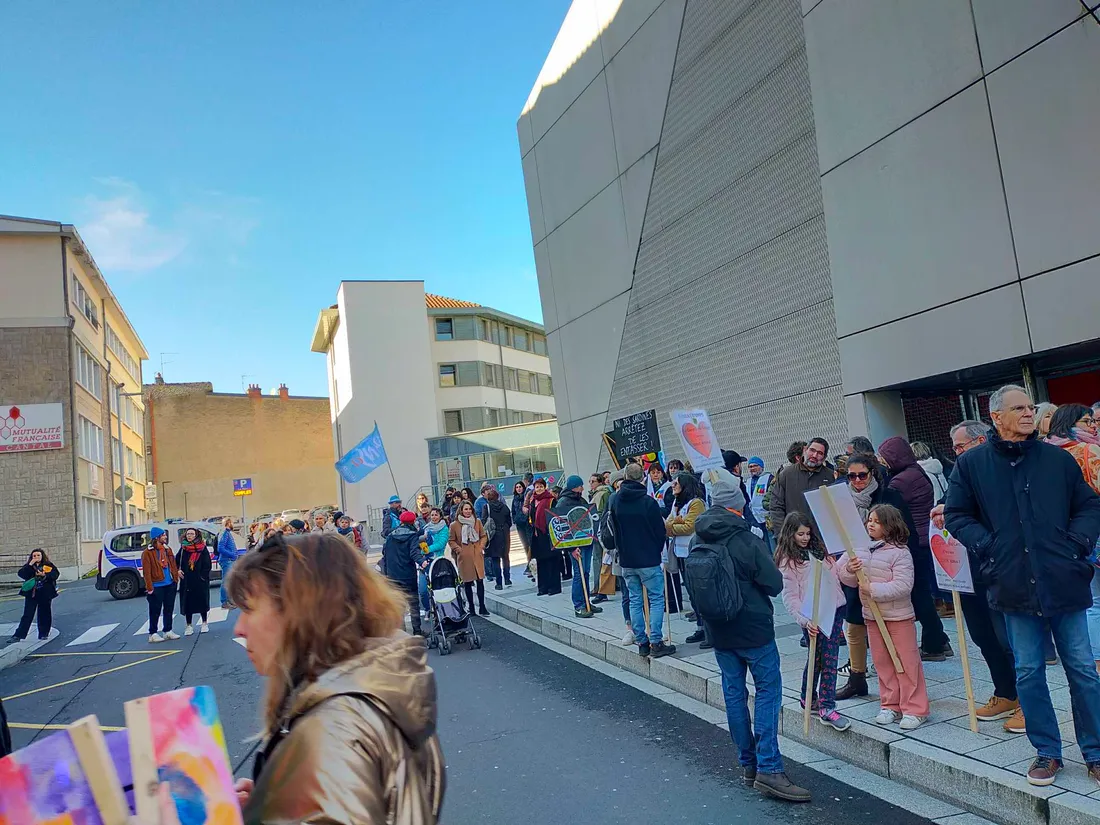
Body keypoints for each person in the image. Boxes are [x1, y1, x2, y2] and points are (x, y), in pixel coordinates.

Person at [226, 531, 445, 822]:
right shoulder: (376, 690)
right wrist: (278, 801)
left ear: (299, 613)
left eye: (249, 609)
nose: (238, 629)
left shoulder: (332, 729)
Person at [946, 384, 1100, 787]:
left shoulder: (1057, 460)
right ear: (997, 417)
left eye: (1031, 406)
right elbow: (957, 515)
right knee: (1029, 672)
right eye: (1019, 408)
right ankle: (1047, 752)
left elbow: (1088, 505)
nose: (1029, 413)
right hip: (1012, 585)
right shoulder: (973, 465)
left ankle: (1096, 752)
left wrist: (1078, 544)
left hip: (1063, 581)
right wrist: (989, 547)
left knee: (1083, 670)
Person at [690, 468, 810, 802]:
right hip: (754, 629)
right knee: (768, 693)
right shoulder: (746, 539)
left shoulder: (700, 537)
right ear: (737, 504)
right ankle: (770, 768)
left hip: (719, 630)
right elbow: (773, 583)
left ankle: (748, 764)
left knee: (733, 695)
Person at [931, 420, 1023, 733]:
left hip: (998, 565)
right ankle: (1005, 693)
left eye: (959, 446)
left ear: (980, 440)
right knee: (982, 636)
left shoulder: (1002, 466)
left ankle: (1027, 701)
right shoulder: (961, 472)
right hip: (966, 567)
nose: (955, 453)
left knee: (1007, 637)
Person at [836, 453, 935, 699]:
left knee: (897, 638)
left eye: (862, 475)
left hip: (887, 571)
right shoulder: (843, 500)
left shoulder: (889, 496)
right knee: (855, 623)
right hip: (859, 566)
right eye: (852, 476)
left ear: (872, 473)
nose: (857, 480)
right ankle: (857, 676)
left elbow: (905, 532)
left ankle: (909, 692)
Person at [838, 504, 930, 730]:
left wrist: (874, 590)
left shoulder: (900, 553)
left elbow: (903, 585)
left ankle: (915, 708)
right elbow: (845, 577)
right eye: (869, 520)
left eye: (877, 521)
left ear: (890, 526)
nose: (871, 524)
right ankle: (890, 703)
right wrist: (850, 569)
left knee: (906, 662)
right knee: (882, 662)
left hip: (898, 617)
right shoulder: (860, 548)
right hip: (872, 616)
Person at [877, 437, 951, 662]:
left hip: (912, 541)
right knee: (922, 593)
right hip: (922, 538)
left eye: (886, 458)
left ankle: (934, 643)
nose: (884, 463)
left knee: (919, 596)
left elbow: (887, 505)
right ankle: (939, 639)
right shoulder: (916, 471)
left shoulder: (901, 481)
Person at [776, 514, 850, 731]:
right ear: (791, 534)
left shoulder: (821, 552)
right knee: (816, 657)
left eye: (808, 533)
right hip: (811, 614)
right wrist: (804, 619)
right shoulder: (788, 560)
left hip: (834, 609)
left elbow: (837, 575)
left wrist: (850, 569)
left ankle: (826, 705)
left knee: (830, 657)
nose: (805, 538)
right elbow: (790, 596)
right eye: (800, 534)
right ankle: (809, 696)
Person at [1044, 404, 1100, 670]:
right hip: (1094, 531)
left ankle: (1093, 656)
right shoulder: (1088, 450)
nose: (1093, 426)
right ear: (1070, 423)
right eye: (1087, 421)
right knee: (1096, 600)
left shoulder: (1045, 453)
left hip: (1061, 536)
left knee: (1089, 599)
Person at [608, 463, 674, 657]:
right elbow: (659, 531)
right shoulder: (648, 502)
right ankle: (656, 641)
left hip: (626, 559)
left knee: (635, 600)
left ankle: (641, 642)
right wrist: (655, 550)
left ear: (625, 477)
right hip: (648, 558)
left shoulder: (616, 501)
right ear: (642, 478)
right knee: (655, 599)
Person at [553, 475, 602, 618]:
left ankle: (586, 601)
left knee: (585, 572)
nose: (583, 487)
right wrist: (571, 548)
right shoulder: (563, 502)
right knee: (578, 574)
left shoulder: (580, 499)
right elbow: (562, 525)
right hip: (575, 544)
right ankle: (578, 605)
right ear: (574, 486)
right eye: (580, 485)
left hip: (585, 540)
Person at [667, 472, 706, 637]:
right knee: (691, 592)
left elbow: (690, 527)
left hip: (694, 553)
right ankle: (700, 627)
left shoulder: (696, 503)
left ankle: (706, 628)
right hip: (680, 554)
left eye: (676, 482)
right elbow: (668, 522)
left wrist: (671, 526)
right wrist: (676, 522)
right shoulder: (677, 504)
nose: (673, 485)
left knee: (699, 592)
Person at [767, 438, 833, 534]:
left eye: (820, 453)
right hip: (793, 536)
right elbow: (776, 507)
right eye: (812, 450)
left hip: (822, 537)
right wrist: (783, 534)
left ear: (824, 457)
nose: (814, 455)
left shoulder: (830, 476)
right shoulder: (786, 474)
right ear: (805, 450)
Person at [381, 510, 425, 636]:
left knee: (398, 606)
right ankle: (417, 631)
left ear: (401, 521)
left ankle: (403, 633)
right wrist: (422, 562)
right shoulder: (412, 536)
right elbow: (414, 553)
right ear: (412, 522)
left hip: (392, 575)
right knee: (413, 604)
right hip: (408, 574)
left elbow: (385, 554)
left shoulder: (390, 536)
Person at [448, 500, 489, 616]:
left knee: (480, 581)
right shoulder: (454, 525)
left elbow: (483, 536)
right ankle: (471, 607)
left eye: (470, 509)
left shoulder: (477, 522)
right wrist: (458, 549)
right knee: (467, 582)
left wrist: (481, 546)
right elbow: (451, 540)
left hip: (477, 554)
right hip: (464, 556)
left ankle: (482, 606)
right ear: (461, 510)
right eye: (465, 509)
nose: (468, 511)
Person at [9, 549, 60, 642]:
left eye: (38, 555)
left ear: (42, 556)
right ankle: (18, 635)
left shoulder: (48, 565)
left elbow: (55, 575)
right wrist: (30, 565)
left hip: (45, 593)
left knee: (45, 614)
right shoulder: (29, 566)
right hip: (32, 594)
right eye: (34, 556)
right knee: (27, 614)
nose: (36, 557)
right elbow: (22, 574)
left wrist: (44, 575)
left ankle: (43, 634)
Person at [142, 527, 181, 643]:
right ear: (157, 538)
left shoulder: (167, 550)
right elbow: (146, 572)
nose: (166, 537)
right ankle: (153, 633)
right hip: (157, 586)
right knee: (155, 610)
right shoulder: (147, 553)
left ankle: (168, 631)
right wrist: (149, 588)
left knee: (169, 609)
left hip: (169, 584)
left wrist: (175, 578)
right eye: (163, 535)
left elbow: (173, 565)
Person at [529, 477, 562, 596]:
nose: (539, 489)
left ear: (545, 487)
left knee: (551, 560)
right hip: (537, 535)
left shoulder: (551, 500)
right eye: (537, 487)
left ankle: (554, 587)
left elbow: (555, 516)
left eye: (541, 486)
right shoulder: (533, 501)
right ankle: (543, 587)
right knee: (541, 561)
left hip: (548, 534)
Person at [177, 527, 212, 636]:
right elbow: (177, 561)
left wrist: (203, 576)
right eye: (188, 534)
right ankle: (189, 625)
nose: (189, 536)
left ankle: (204, 623)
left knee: (202, 601)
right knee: (188, 603)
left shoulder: (202, 548)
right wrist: (178, 571)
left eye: (192, 534)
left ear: (196, 535)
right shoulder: (183, 548)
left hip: (200, 580)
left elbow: (207, 564)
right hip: (187, 580)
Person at [419, 507, 450, 612]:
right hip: (425, 562)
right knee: (423, 590)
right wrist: (422, 549)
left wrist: (427, 550)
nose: (434, 517)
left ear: (440, 516)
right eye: (432, 515)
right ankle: (428, 609)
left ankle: (440, 611)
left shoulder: (444, 528)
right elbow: (420, 542)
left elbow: (441, 544)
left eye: (436, 515)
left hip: (438, 562)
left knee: (437, 590)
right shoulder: (426, 528)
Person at [483, 487, 513, 591]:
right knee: (505, 557)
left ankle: (499, 583)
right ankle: (507, 579)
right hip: (504, 533)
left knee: (495, 559)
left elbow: (484, 522)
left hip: (493, 535)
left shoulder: (486, 507)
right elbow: (509, 521)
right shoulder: (504, 507)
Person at [588, 472, 612, 598]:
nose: (591, 484)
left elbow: (603, 512)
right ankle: (599, 586)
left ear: (600, 482)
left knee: (602, 559)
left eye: (593, 481)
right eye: (590, 481)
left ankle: (601, 588)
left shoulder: (603, 493)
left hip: (600, 529)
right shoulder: (595, 494)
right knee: (598, 558)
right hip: (596, 528)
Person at [746, 457, 774, 551]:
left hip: (768, 517)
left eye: (755, 466)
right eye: (750, 467)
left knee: (771, 540)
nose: (752, 468)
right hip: (755, 517)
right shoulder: (748, 481)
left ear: (761, 467)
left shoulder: (769, 478)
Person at [511, 480, 533, 579]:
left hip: (527, 524)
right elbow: (513, 511)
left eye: (520, 487)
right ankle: (529, 564)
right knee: (525, 545)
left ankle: (530, 565)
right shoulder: (515, 499)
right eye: (517, 487)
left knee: (530, 545)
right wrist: (515, 520)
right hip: (519, 525)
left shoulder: (526, 497)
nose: (519, 489)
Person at [218, 517, 240, 610]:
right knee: (226, 581)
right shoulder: (225, 533)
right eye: (233, 523)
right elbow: (220, 548)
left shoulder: (226, 533)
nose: (234, 525)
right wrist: (233, 555)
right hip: (227, 560)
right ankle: (224, 601)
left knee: (229, 581)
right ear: (229, 523)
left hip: (228, 559)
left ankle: (229, 600)